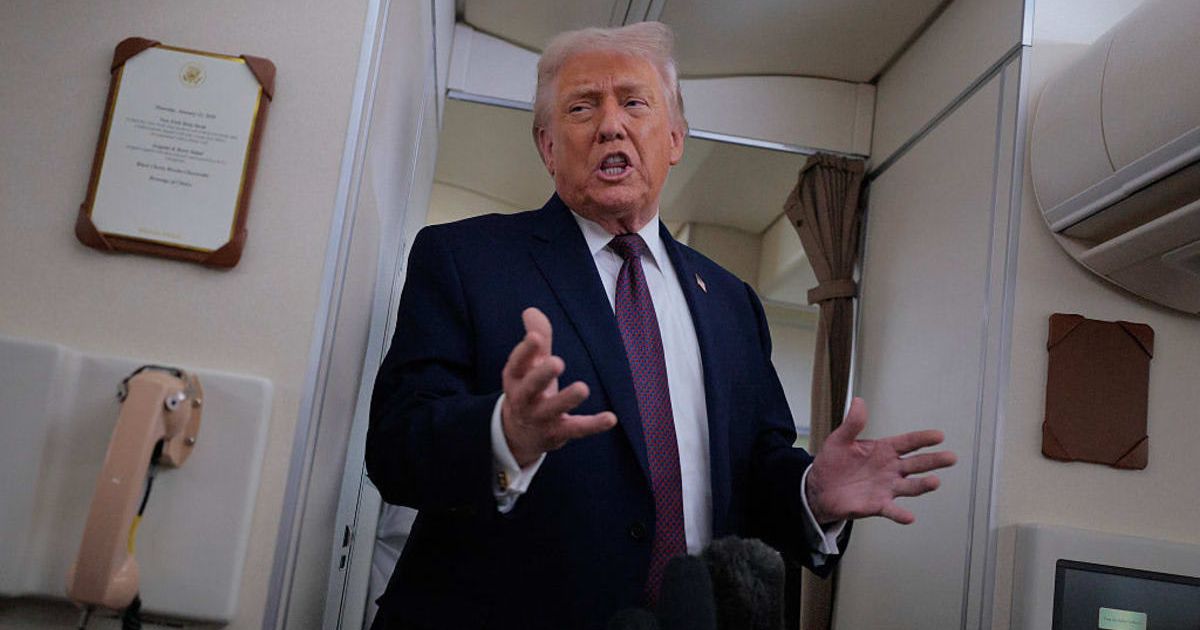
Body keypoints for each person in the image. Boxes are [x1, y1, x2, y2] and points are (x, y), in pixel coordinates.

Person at [366, 21, 956, 630]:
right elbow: (394, 449)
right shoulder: (466, 260)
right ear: (547, 146)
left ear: (674, 138)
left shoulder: (733, 303)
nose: (610, 125)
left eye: (634, 102)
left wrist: (811, 495)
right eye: (581, 107)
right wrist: (503, 434)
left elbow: (757, 470)